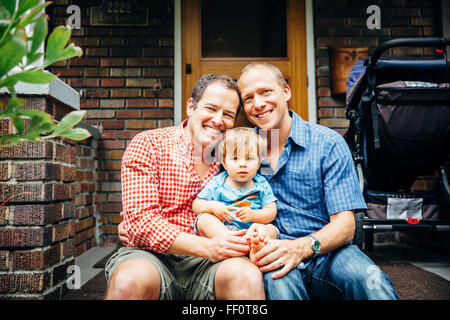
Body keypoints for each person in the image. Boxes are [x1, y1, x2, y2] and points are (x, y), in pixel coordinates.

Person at [232, 62, 399, 300]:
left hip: (330, 252)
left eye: (266, 91)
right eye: (248, 98)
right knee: (278, 286)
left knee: (370, 280)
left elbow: (345, 226)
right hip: (275, 253)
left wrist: (302, 248)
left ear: (286, 91)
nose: (258, 104)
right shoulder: (240, 153)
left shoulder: (328, 143)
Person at [104, 74, 265, 300]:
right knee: (130, 280)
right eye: (211, 108)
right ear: (191, 106)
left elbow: (260, 204)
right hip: (152, 257)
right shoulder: (148, 144)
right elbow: (141, 222)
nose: (218, 120)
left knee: (246, 277)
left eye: (228, 114)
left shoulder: (235, 159)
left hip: (212, 264)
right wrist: (207, 247)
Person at [192, 127, 277, 262]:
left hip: (249, 231)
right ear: (224, 162)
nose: (242, 164)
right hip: (223, 232)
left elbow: (271, 211)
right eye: (235, 158)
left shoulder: (261, 184)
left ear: (259, 162)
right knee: (204, 219)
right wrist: (213, 207)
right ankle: (236, 244)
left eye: (249, 158)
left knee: (269, 229)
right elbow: (196, 205)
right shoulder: (218, 182)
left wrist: (254, 215)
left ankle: (252, 248)